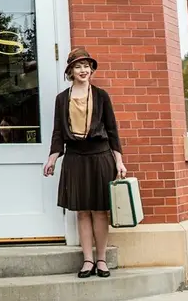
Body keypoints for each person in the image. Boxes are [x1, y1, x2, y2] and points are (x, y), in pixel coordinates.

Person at [43, 48, 126, 279]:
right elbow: (58, 132)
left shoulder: (101, 96)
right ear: (70, 71)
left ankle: (101, 259)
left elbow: (112, 131)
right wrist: (52, 158)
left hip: (100, 156)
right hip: (75, 158)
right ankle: (87, 260)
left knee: (100, 211)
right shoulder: (62, 99)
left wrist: (119, 161)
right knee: (82, 212)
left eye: (87, 66)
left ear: (92, 69)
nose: (84, 70)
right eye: (78, 66)